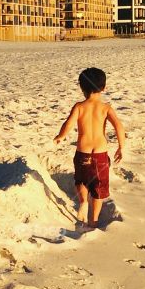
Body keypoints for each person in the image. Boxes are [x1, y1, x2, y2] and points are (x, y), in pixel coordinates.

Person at [53, 67, 125, 227]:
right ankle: (94, 220)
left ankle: (84, 202)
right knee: (99, 188)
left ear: (82, 87)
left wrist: (61, 136)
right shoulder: (106, 108)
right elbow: (119, 127)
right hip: (100, 154)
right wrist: (121, 147)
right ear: (104, 87)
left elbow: (68, 124)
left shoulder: (79, 106)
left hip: (82, 153)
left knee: (81, 181)